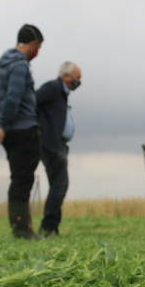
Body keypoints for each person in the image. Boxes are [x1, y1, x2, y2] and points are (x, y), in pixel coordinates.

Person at [0, 24, 43, 239]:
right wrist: (3, 124)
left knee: (18, 178)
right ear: (32, 44)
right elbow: (14, 97)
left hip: (9, 132)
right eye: (38, 47)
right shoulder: (20, 65)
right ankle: (21, 229)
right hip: (23, 128)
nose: (37, 52)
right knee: (23, 180)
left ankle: (21, 226)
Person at [35, 61, 83, 237]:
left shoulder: (62, 94)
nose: (79, 82)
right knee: (60, 184)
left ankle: (52, 227)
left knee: (58, 185)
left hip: (58, 144)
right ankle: (48, 227)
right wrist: (42, 130)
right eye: (77, 78)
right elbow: (33, 102)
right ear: (66, 76)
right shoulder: (53, 88)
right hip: (51, 143)